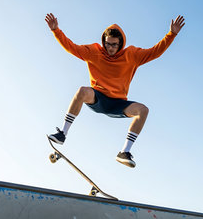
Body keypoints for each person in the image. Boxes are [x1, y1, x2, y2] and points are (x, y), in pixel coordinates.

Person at [45, 13, 185, 168]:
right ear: (104, 42)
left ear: (121, 44)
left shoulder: (132, 55)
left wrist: (171, 34)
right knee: (82, 91)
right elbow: (72, 47)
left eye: (114, 45)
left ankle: (124, 152)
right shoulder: (94, 51)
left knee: (143, 110)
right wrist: (56, 30)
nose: (110, 48)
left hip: (118, 103)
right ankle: (62, 134)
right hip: (98, 98)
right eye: (108, 44)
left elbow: (154, 52)